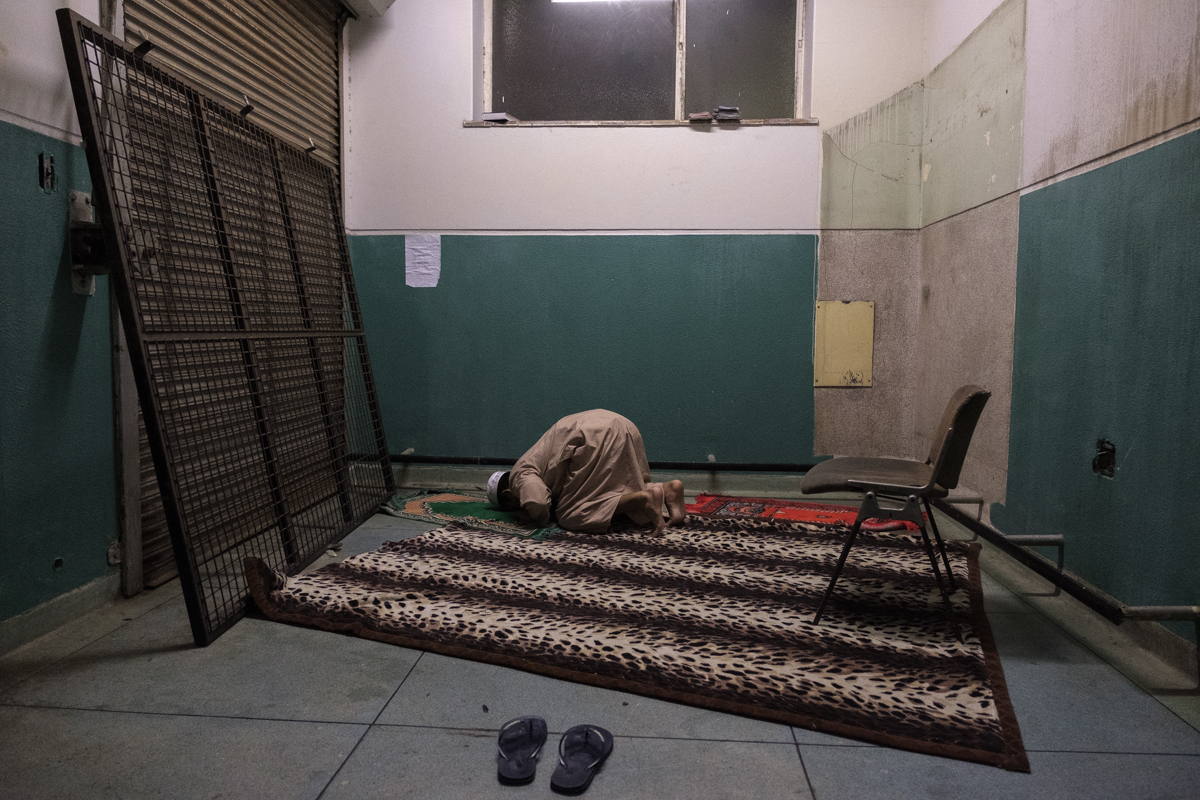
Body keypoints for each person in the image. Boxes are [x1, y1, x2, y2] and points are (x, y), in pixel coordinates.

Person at [487, 409, 686, 535]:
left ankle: (644, 498)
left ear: (507, 495)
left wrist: (537, 517)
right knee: (619, 485)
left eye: (514, 505)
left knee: (571, 514)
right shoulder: (533, 458)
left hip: (594, 437)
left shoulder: (517, 475)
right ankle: (667, 490)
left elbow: (537, 501)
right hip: (623, 424)